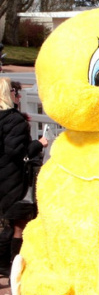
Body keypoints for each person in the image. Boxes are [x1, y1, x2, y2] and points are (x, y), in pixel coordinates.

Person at [0, 79, 48, 278]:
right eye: (15, 92)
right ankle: (10, 264)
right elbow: (17, 151)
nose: (18, 95)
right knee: (18, 222)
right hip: (12, 177)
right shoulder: (15, 120)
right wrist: (38, 143)